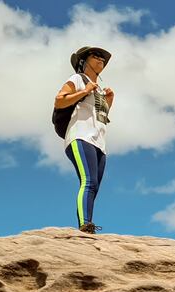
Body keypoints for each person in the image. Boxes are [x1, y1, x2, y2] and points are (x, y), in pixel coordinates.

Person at [54, 47, 114, 233]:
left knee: (94, 186)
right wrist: (85, 90)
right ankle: (85, 225)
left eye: (102, 58)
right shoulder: (78, 79)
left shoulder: (101, 90)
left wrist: (109, 101)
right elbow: (59, 100)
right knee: (88, 181)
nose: (100, 59)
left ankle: (88, 223)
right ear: (83, 61)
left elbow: (99, 116)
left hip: (99, 143)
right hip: (80, 136)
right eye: (95, 56)